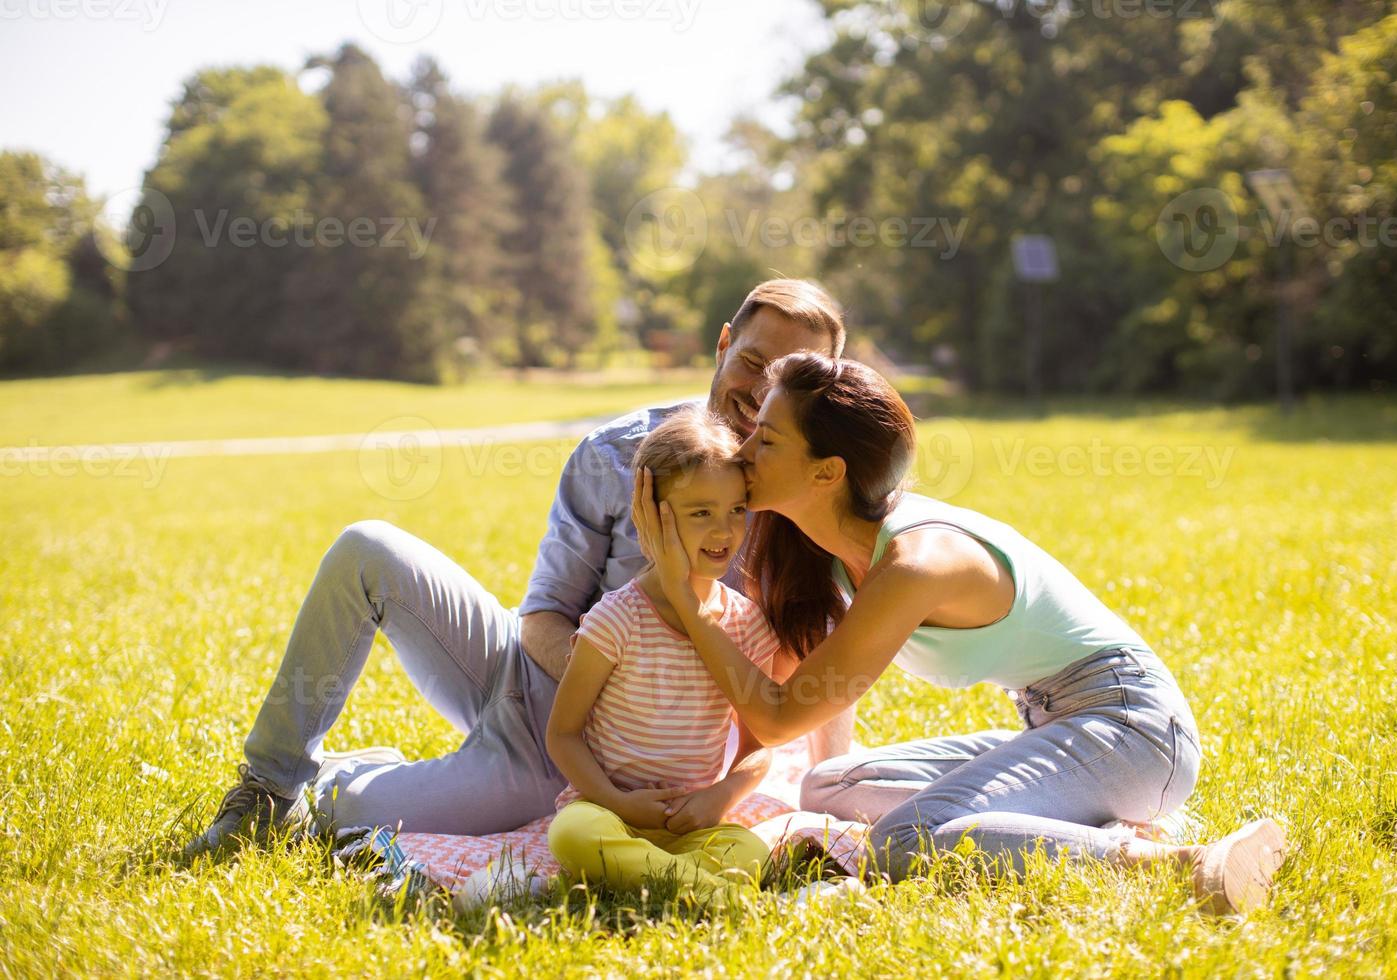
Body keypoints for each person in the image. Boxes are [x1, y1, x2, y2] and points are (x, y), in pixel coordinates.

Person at [185, 280, 855, 856]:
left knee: (346, 819)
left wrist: (830, 810)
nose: (760, 390)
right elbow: (542, 616)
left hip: (566, 763)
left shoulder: (809, 501)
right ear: (721, 345)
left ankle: (350, 780)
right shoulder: (616, 452)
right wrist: (606, 682)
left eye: (788, 377)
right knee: (368, 548)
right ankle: (270, 786)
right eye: (750, 360)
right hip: (536, 683)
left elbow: (819, 673)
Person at [632, 352, 1288, 916]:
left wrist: (684, 600)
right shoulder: (835, 548)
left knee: (903, 842)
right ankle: (1061, 820)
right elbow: (792, 703)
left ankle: (1182, 862)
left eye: (767, 441)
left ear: (827, 472)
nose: (744, 455)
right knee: (826, 786)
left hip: (1134, 731)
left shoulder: (917, 561)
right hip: (1058, 726)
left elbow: (777, 718)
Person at [545, 407, 787, 905]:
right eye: (701, 513)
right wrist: (618, 803)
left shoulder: (746, 624)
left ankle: (661, 879)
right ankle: (711, 895)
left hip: (689, 825)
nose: (724, 532)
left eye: (736, 510)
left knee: (750, 850)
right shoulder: (617, 619)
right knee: (572, 836)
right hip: (605, 812)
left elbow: (758, 747)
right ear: (649, 515)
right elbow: (563, 734)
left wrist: (721, 796)